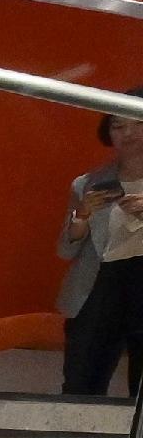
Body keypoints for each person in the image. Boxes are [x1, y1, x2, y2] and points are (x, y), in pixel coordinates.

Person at [59, 112, 143, 397]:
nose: (127, 133)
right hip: (100, 284)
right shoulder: (88, 183)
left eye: (138, 124)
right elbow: (65, 248)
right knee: (81, 381)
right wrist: (82, 214)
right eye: (118, 126)